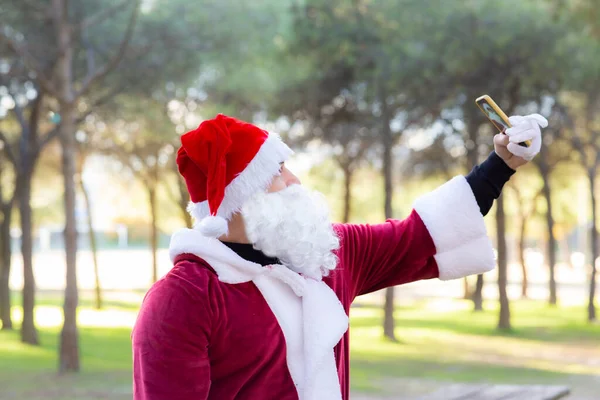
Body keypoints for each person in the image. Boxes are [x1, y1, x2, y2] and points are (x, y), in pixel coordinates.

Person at [131, 112, 547, 400]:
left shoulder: (323, 255)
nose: (294, 180)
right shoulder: (185, 297)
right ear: (241, 197)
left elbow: (419, 236)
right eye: (277, 172)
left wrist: (501, 164)